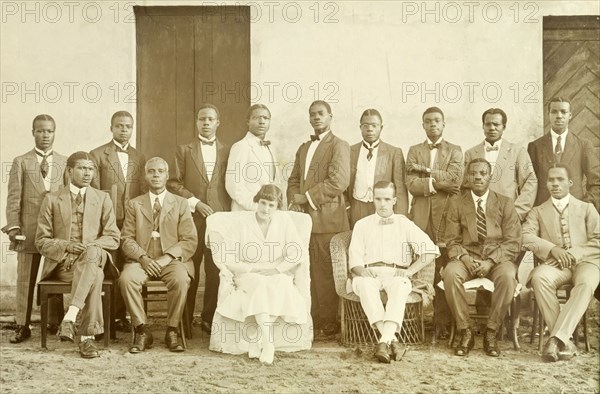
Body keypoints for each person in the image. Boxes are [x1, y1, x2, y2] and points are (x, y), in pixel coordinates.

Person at [35, 152, 120, 358]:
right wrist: (67, 246)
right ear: (69, 171)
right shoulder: (52, 199)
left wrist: (89, 246)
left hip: (95, 256)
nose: (87, 173)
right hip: (66, 266)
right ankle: (87, 339)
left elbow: (113, 237)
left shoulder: (102, 198)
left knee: (91, 254)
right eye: (82, 168)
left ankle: (70, 316)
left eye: (91, 169)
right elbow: (41, 242)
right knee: (96, 277)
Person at [215, 184, 308, 364]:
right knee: (259, 284)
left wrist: (277, 269)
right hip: (249, 273)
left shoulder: (284, 221)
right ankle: (268, 341)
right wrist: (249, 269)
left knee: (279, 283)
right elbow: (226, 254)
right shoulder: (242, 223)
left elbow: (298, 252)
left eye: (271, 205)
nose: (266, 209)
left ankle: (259, 339)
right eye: (263, 203)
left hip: (275, 271)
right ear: (257, 202)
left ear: (277, 207)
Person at [349, 181, 439, 363]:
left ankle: (383, 342)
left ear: (394, 200)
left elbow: (430, 250)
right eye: (378, 199)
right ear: (373, 199)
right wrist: (362, 271)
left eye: (387, 199)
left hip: (396, 273)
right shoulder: (362, 224)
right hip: (369, 273)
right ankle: (391, 341)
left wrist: (409, 271)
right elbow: (354, 258)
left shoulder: (404, 224)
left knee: (400, 286)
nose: (382, 204)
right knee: (365, 286)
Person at [443, 158, 521, 357]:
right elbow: (451, 240)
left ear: (490, 176)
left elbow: (513, 241)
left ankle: (491, 331)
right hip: (466, 256)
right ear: (467, 177)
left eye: (483, 173)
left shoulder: (504, 203)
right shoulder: (456, 202)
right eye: (473, 173)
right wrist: (466, 259)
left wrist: (490, 261)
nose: (477, 177)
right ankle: (465, 330)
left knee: (507, 276)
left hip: (496, 258)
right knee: (451, 274)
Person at [119, 157, 198, 353]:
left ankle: (172, 330)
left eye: (160, 171)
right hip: (142, 260)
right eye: (151, 171)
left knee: (180, 279)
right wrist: (143, 258)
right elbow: (126, 238)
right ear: (145, 175)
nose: (156, 175)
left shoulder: (180, 203)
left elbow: (189, 239)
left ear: (167, 175)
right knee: (127, 279)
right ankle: (142, 329)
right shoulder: (135, 204)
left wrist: (168, 257)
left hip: (171, 261)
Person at [2, 114, 68, 343]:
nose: (45, 135)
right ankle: (23, 324)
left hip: (55, 232)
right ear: (33, 132)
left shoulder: (64, 161)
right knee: (25, 279)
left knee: (54, 276)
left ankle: (54, 321)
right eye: (40, 131)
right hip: (29, 230)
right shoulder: (22, 161)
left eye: (49, 131)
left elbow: (67, 198)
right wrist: (13, 226)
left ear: (55, 132)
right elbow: (13, 198)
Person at [523, 164, 599, 362]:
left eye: (560, 179)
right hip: (557, 265)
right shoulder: (538, 211)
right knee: (539, 277)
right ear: (546, 184)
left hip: (586, 262)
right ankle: (565, 341)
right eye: (551, 180)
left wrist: (574, 253)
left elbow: (599, 239)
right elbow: (525, 236)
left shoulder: (586, 209)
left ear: (570, 183)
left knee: (586, 283)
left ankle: (555, 339)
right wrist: (552, 249)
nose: (555, 184)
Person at [287, 100, 350, 337]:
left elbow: (339, 181)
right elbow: (293, 178)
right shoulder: (304, 147)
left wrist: (307, 198)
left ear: (330, 117)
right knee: (307, 269)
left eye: (321, 114)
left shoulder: (339, 145)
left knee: (326, 270)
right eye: (312, 114)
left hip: (328, 219)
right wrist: (294, 199)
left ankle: (329, 320)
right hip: (304, 219)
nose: (316, 118)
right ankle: (310, 316)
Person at [167, 104, 231, 335]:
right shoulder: (183, 150)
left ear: (217, 123)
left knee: (215, 271)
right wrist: (195, 202)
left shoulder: (228, 151)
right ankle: (183, 321)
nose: (206, 123)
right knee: (189, 269)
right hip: (191, 220)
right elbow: (173, 183)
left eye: (210, 119)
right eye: (202, 119)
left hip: (219, 219)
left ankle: (209, 318)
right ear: (196, 122)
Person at [406, 106, 463, 338]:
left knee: (444, 266)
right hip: (420, 216)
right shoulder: (413, 150)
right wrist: (437, 183)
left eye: (437, 121)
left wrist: (426, 173)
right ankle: (416, 320)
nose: (433, 124)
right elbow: (411, 184)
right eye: (428, 121)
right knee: (420, 264)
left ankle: (443, 321)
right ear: (423, 125)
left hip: (446, 216)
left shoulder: (455, 151)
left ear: (443, 124)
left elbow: (455, 181)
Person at [90, 110, 147, 332]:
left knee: (129, 267)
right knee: (109, 268)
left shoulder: (140, 157)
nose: (124, 130)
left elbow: (143, 191)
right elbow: (94, 191)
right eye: (119, 126)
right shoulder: (97, 155)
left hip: (132, 223)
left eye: (128, 126)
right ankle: (107, 319)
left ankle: (124, 316)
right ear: (111, 128)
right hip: (108, 222)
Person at [463, 108, 537, 223]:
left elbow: (530, 181)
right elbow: (465, 186)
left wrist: (516, 213)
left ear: (504, 127)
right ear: (483, 126)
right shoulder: (471, 153)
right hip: (478, 218)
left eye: (496, 124)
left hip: (508, 217)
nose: (492, 128)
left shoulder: (517, 152)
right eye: (488, 124)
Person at [528, 97, 600, 212]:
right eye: (554, 111)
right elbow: (529, 184)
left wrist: (585, 206)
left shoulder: (583, 145)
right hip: (544, 212)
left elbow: (597, 182)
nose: (559, 116)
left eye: (563, 112)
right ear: (548, 114)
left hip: (575, 212)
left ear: (570, 115)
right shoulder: (535, 147)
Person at [347, 109, 408, 228]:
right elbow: (342, 183)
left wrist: (400, 217)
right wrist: (347, 207)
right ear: (360, 127)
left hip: (384, 208)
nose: (370, 129)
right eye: (366, 125)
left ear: (381, 127)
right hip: (357, 207)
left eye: (374, 125)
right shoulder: (349, 151)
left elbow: (400, 189)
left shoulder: (394, 152)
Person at [226, 104, 279, 211]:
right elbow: (234, 186)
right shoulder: (240, 146)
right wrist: (257, 207)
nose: (262, 121)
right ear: (248, 121)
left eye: (265, 118)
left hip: (268, 213)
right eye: (256, 118)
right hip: (247, 212)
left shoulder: (271, 148)